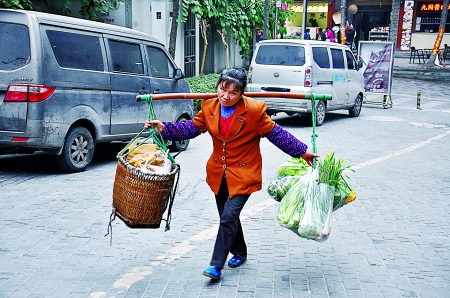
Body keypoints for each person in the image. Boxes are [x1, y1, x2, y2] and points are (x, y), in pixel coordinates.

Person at [144, 68, 319, 280]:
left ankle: (216, 265)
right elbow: (191, 128)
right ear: (218, 87)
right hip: (219, 172)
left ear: (241, 93)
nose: (226, 96)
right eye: (222, 89)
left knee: (228, 216)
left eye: (233, 92)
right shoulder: (209, 107)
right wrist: (164, 128)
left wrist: (302, 151)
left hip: (245, 173)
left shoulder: (254, 111)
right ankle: (240, 251)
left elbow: (276, 133)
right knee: (228, 217)